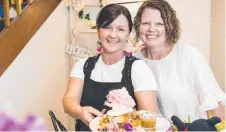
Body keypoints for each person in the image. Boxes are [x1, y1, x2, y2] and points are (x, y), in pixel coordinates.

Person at [63, 4, 157, 131]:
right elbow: (69, 100)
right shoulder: (83, 65)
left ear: (129, 33)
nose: (113, 35)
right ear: (98, 30)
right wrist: (80, 111)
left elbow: (149, 117)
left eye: (121, 29)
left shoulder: (138, 68)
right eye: (107, 27)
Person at [133, 0, 225, 121]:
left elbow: (215, 107)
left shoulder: (189, 55)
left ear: (169, 27)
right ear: (138, 26)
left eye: (159, 24)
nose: (151, 29)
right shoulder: (135, 61)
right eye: (145, 23)